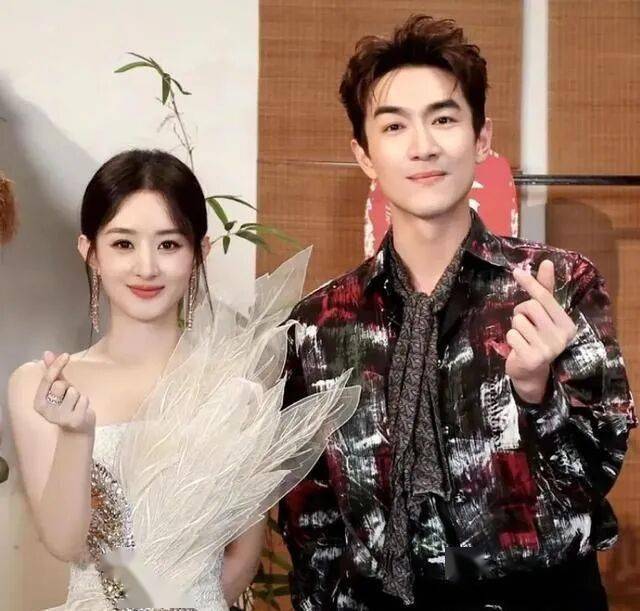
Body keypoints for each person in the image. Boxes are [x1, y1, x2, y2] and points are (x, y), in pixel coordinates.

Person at [279, 14, 636, 611]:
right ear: (364, 154)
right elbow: (309, 515)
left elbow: (593, 476)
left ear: (482, 137)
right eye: (394, 126)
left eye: (443, 119)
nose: (423, 145)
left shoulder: (557, 286)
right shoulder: (319, 324)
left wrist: (537, 393)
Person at [7, 149, 359, 610]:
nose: (147, 267)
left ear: (200, 253)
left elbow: (242, 558)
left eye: (169, 245)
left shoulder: (236, 387)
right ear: (89, 252)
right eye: (123, 244)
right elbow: (65, 543)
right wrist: (76, 436)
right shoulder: (42, 386)